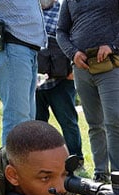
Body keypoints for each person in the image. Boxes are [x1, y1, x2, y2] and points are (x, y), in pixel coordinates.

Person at [56, 0, 119, 184]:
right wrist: (72, 53)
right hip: (81, 68)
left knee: (114, 120)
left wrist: (113, 46)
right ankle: (100, 173)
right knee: (94, 124)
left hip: (110, 66)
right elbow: (61, 31)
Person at [0, 0, 47, 147]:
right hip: (13, 43)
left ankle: (23, 166)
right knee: (17, 118)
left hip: (28, 47)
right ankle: (12, 166)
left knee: (27, 119)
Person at [36, 0, 84, 166]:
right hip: (36, 80)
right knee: (38, 124)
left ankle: (76, 160)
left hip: (62, 80)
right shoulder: (31, 10)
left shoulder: (65, 9)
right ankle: (40, 159)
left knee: (68, 123)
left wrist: (72, 70)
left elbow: (77, 39)